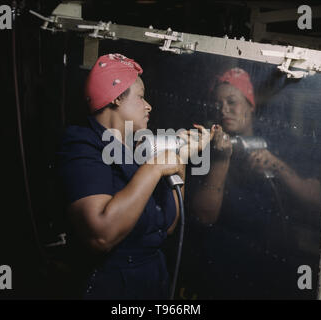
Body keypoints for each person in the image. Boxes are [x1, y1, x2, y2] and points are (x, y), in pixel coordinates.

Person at [56, 53, 208, 300]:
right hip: (111, 285)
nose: (149, 105)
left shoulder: (135, 150)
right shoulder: (82, 146)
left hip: (152, 279)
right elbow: (101, 235)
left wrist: (180, 162)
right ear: (117, 97)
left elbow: (167, 227)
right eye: (140, 97)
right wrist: (155, 168)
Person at [185, 67, 321, 299]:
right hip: (222, 269)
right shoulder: (203, 149)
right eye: (217, 104)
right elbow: (202, 216)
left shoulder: (279, 141)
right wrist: (221, 158)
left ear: (251, 105)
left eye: (232, 101)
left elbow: (318, 201)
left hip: (271, 268)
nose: (224, 110)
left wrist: (277, 167)